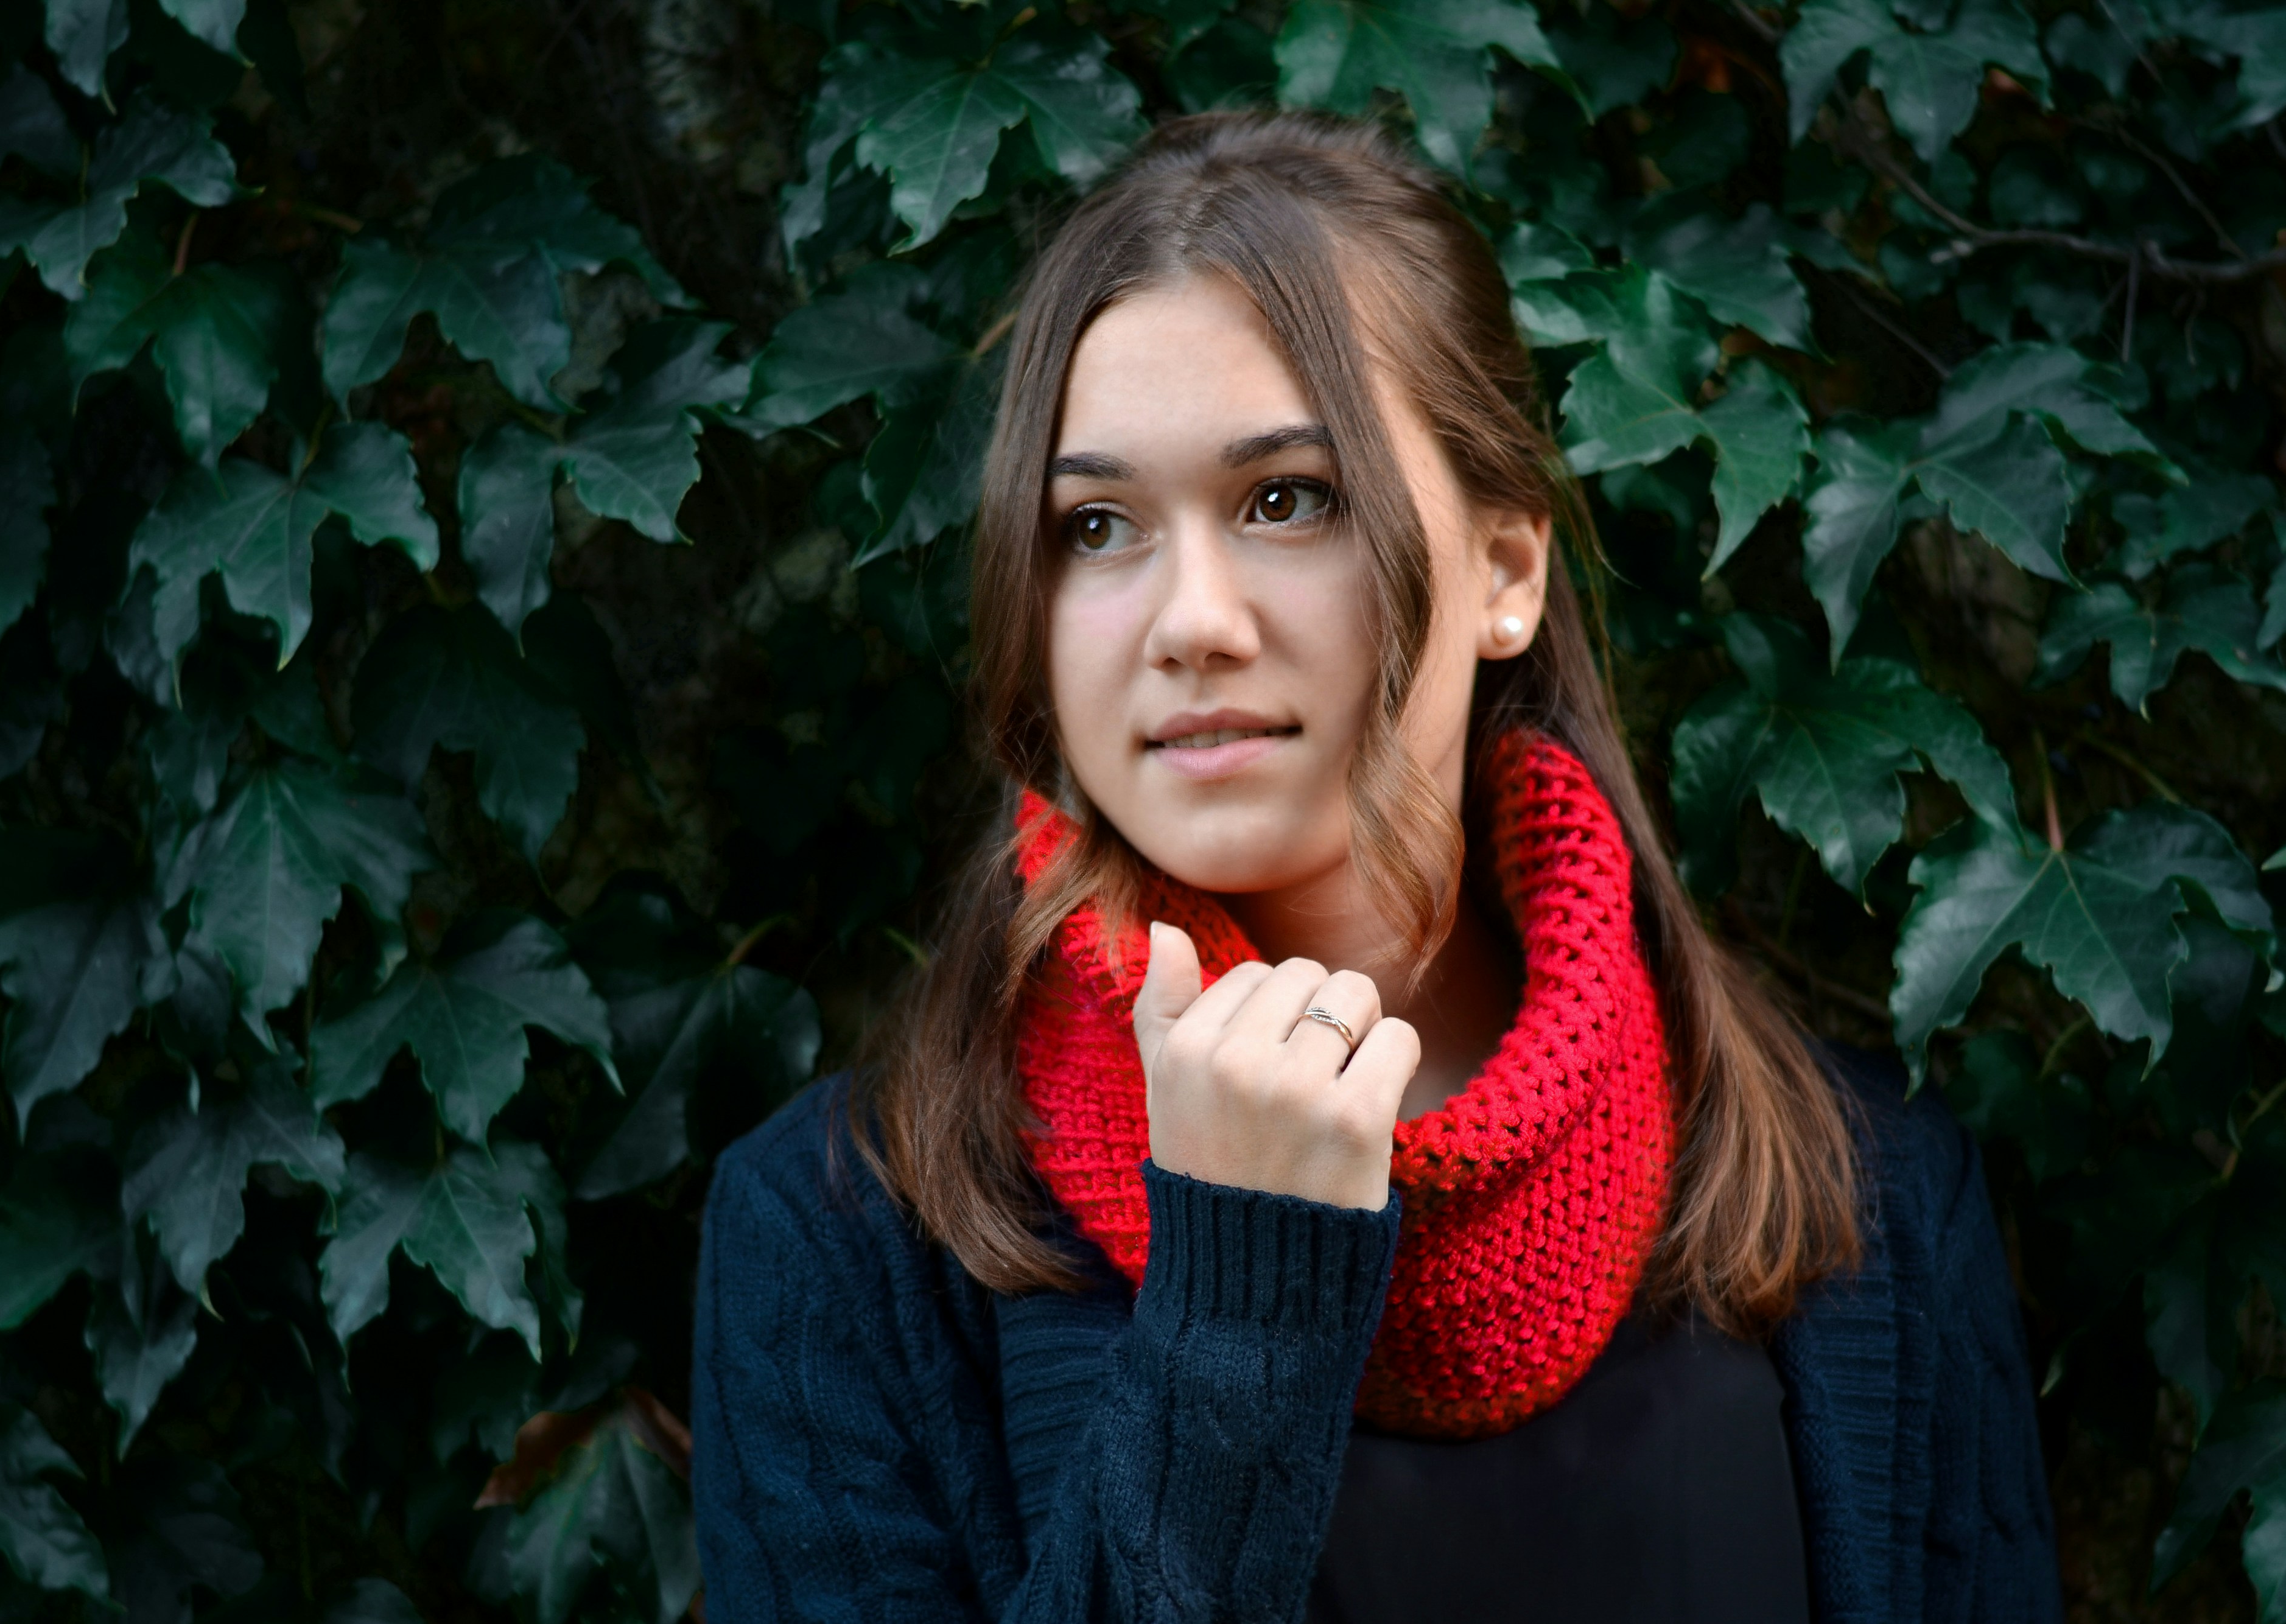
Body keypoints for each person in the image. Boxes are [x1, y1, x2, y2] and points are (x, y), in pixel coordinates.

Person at [691, 110, 2061, 1623]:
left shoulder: (1864, 1198)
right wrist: (1238, 1291)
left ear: (1505, 569)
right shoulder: (838, 1244)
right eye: (1096, 525)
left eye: (1290, 498)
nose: (1189, 619)